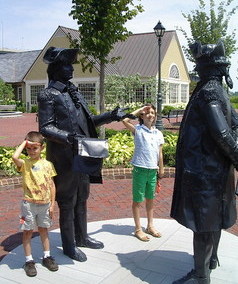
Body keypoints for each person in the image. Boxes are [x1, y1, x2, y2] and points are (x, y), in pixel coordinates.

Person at [37, 46, 132, 262]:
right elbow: (46, 128)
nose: (71, 68)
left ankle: (82, 237)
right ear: (56, 68)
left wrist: (111, 116)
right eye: (67, 65)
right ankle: (69, 245)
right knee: (67, 200)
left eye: (71, 65)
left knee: (82, 197)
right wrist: (70, 138)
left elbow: (89, 123)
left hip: (83, 153)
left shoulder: (74, 92)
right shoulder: (48, 95)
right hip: (64, 158)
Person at [171, 40, 238, 284]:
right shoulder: (218, 91)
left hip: (205, 175)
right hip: (216, 171)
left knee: (203, 226)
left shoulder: (208, 91)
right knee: (213, 220)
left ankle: (201, 277)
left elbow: (222, 132)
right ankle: (211, 261)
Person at [12, 131, 58, 277]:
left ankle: (46, 256)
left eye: (35, 148)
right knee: (27, 232)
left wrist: (52, 205)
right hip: (28, 204)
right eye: (29, 148)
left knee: (44, 230)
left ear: (42, 148)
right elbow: (14, 157)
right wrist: (25, 142)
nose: (31, 151)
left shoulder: (47, 164)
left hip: (44, 204)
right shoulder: (25, 164)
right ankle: (29, 260)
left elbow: (52, 185)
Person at [122, 104, 164, 241]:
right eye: (147, 113)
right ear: (142, 116)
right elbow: (124, 120)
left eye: (152, 112)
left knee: (150, 199)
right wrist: (140, 110)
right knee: (137, 200)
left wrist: (161, 168)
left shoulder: (158, 133)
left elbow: (160, 153)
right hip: (140, 169)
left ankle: (150, 226)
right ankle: (138, 229)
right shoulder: (138, 130)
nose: (150, 115)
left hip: (152, 171)